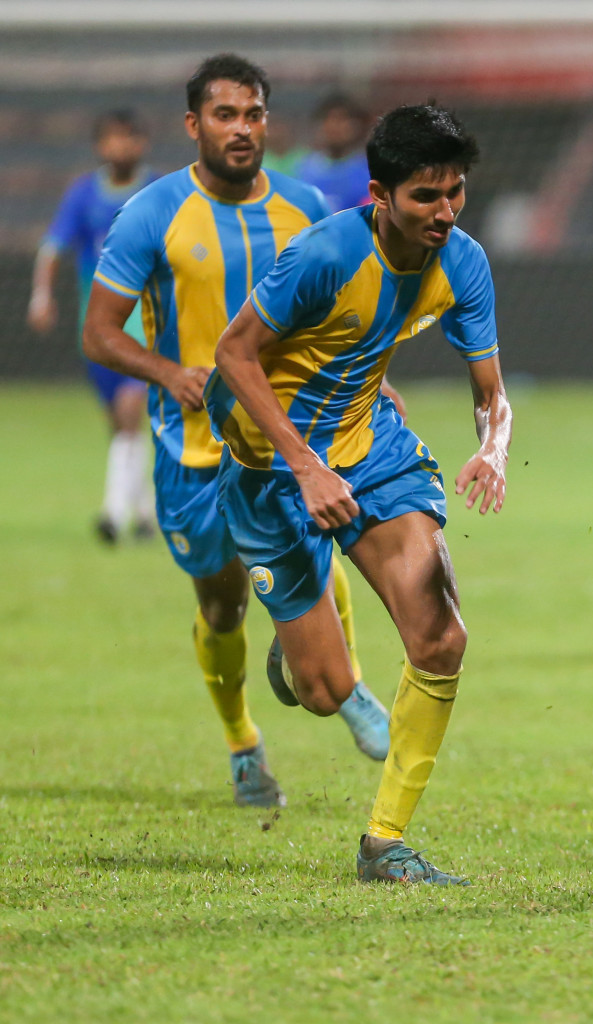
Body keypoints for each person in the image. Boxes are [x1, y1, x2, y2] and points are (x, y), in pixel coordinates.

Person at [206, 103, 510, 885]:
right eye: (425, 198)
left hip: (369, 449)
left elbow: (490, 392)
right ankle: (307, 628)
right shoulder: (324, 255)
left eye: (456, 194)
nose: (444, 213)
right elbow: (233, 357)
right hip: (269, 467)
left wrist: (494, 447)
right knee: (320, 692)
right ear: (380, 193)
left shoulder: (463, 261)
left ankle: (385, 843)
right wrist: (305, 466)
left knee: (441, 635)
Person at [83, 54, 392, 809]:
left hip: (285, 438)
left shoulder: (306, 206)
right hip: (191, 456)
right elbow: (99, 333)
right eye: (225, 115)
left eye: (254, 114)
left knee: (325, 531)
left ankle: (340, 679)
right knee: (222, 606)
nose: (242, 128)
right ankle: (244, 745)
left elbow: (345, 312)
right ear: (195, 126)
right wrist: (169, 373)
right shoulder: (154, 213)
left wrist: (385, 387)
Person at [29, 110, 157, 544]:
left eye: (128, 138)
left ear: (142, 143)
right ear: (100, 145)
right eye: (111, 139)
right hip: (100, 327)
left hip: (149, 329)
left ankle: (112, 514)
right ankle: (144, 512)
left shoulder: (157, 191)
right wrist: (42, 296)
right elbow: (52, 248)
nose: (120, 147)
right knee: (119, 426)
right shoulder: (84, 194)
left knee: (128, 414)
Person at [293, 92, 372, 214]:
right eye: (328, 119)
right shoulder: (302, 170)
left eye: (342, 119)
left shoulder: (368, 171)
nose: (334, 126)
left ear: (358, 126)